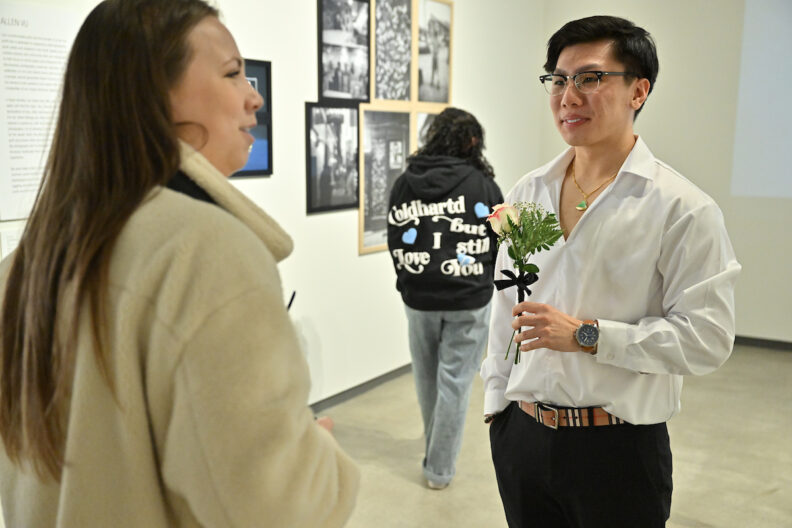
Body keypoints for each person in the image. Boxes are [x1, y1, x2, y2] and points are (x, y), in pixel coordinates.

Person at [0, 1, 359, 526]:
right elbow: (275, 508)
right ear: (151, 93)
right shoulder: (207, 250)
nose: (254, 97)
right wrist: (322, 458)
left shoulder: (20, 268)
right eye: (234, 73)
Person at [480, 15, 740, 528]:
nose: (568, 95)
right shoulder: (528, 191)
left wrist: (588, 336)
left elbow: (708, 339)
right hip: (523, 440)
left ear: (638, 91)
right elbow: (507, 302)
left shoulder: (682, 208)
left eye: (590, 78)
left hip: (618, 450)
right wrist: (496, 403)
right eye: (558, 79)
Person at [387, 107, 503, 490]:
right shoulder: (483, 185)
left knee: (425, 375)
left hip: (419, 295)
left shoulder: (406, 182)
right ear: (473, 142)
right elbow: (501, 239)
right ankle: (439, 470)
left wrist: (408, 277)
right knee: (454, 381)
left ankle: (434, 450)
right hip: (468, 298)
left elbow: (393, 234)